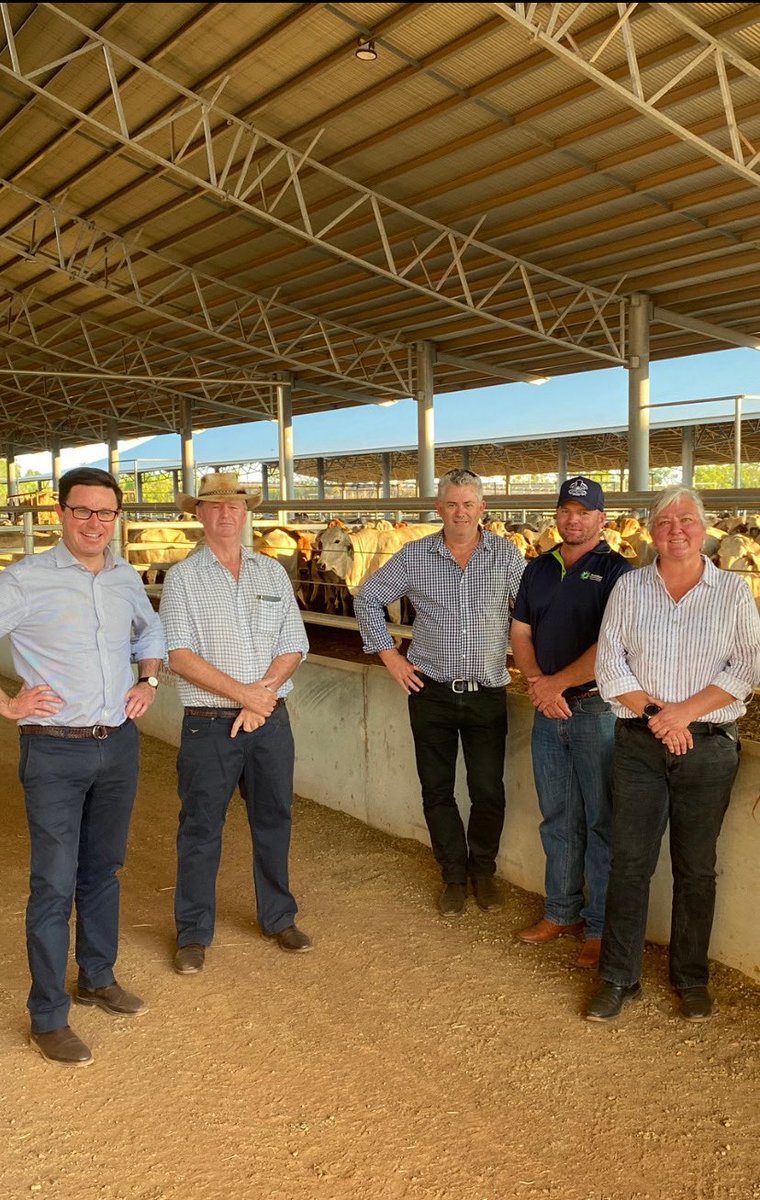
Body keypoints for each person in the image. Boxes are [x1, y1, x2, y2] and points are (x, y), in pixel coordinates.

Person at [0, 467, 165, 1067]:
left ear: (116, 518)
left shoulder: (124, 577)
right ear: (61, 515)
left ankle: (97, 977)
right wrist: (9, 704)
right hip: (54, 749)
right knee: (52, 881)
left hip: (117, 744)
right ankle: (48, 1016)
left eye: (105, 513)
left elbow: (152, 631)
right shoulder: (24, 580)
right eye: (82, 511)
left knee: (104, 870)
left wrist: (147, 679)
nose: (94, 523)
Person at [587, 485, 760, 1023]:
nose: (676, 528)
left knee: (696, 867)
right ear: (652, 532)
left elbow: (747, 668)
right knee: (630, 864)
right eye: (664, 520)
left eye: (686, 519)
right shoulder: (629, 588)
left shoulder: (732, 591)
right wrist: (663, 719)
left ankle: (691, 979)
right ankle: (618, 977)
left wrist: (681, 715)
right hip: (640, 745)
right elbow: (610, 667)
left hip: (708, 747)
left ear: (704, 528)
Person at [159, 472, 311, 975]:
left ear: (246, 514)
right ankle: (193, 931)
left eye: (236, 506)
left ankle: (278, 916)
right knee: (201, 826)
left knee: (274, 818)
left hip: (268, 720)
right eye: (215, 506)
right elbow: (178, 655)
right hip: (210, 724)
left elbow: (295, 644)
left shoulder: (271, 573)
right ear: (198, 515)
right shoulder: (183, 578)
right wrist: (246, 695)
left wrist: (260, 697)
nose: (227, 514)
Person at [354, 469, 525, 915]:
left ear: (482, 509)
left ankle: (482, 871)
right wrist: (389, 655)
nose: (461, 512)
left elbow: (531, 613)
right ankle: (452, 873)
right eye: (452, 504)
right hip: (430, 691)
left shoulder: (507, 557)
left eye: (469, 504)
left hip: (487, 691)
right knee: (437, 788)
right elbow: (367, 597)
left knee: (488, 789)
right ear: (439, 509)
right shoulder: (414, 556)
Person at [510, 477, 633, 969]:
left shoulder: (620, 572)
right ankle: (561, 911)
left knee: (602, 819)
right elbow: (520, 630)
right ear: (556, 516)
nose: (572, 519)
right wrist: (539, 682)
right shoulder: (538, 568)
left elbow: (613, 645)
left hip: (596, 710)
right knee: (557, 816)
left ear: (603, 519)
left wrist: (556, 684)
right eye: (565, 510)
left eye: (584, 511)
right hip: (548, 709)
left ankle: (601, 926)